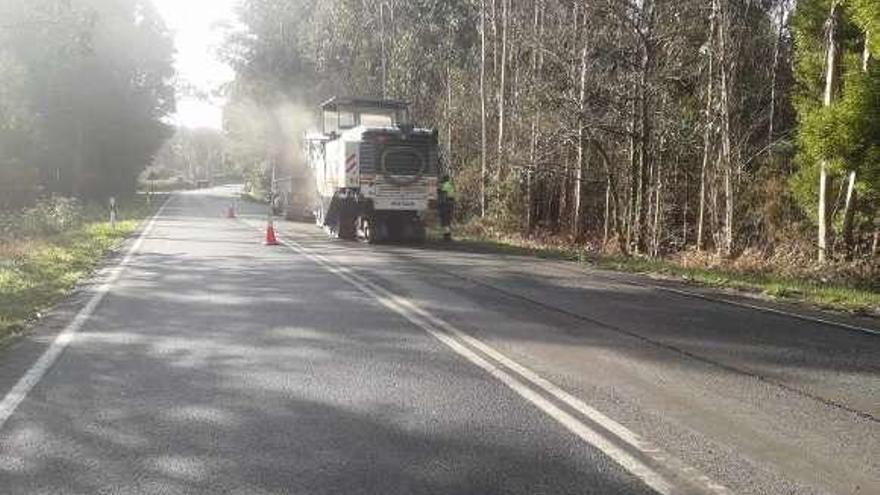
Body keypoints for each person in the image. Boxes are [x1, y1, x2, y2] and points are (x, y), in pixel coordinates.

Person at [438, 175, 456, 241]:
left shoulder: (444, 186)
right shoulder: (451, 185)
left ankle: (447, 236)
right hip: (451, 204)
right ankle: (448, 235)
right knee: (448, 221)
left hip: (446, 204)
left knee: (445, 221)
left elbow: (443, 196)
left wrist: (440, 205)